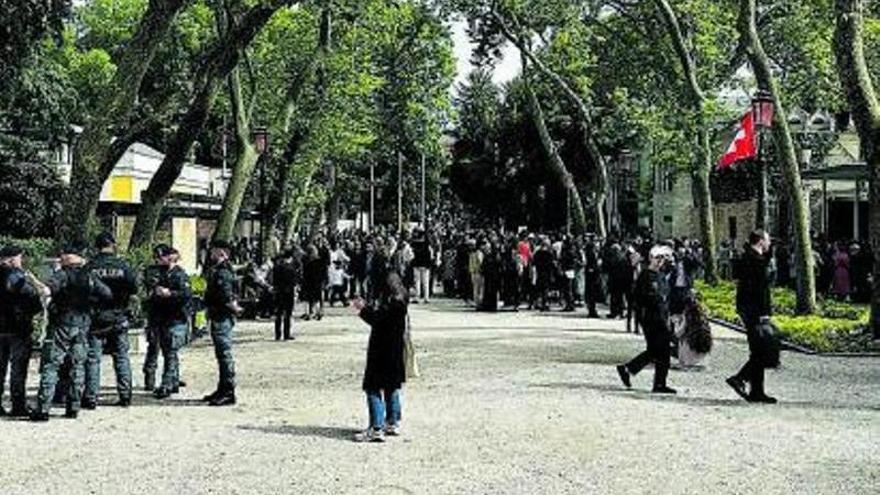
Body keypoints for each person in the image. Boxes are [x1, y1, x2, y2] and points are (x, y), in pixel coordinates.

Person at [31, 244, 112, 421]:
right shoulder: (89, 276)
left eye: (63, 255)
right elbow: (106, 294)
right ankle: (73, 407)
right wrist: (90, 303)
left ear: (68, 257)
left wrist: (37, 284)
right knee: (78, 366)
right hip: (82, 326)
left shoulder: (62, 274)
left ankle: (43, 409)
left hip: (61, 325)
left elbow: (47, 290)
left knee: (51, 365)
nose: (60, 258)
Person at [83, 232, 138, 409]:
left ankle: (91, 397)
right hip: (119, 315)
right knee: (121, 357)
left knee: (93, 358)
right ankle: (125, 396)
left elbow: (81, 289)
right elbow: (134, 288)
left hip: (96, 317)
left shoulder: (90, 267)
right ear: (113, 245)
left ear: (96, 246)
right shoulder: (124, 266)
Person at [352, 272, 409, 443]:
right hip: (395, 349)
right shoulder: (401, 302)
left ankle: (376, 427)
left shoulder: (390, 304)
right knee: (392, 385)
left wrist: (362, 308)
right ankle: (392, 421)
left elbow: (377, 320)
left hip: (381, 349)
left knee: (373, 386)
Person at [615, 245, 677, 394]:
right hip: (651, 319)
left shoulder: (660, 276)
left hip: (661, 318)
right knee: (658, 350)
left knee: (659, 351)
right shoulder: (645, 276)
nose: (660, 261)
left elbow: (664, 298)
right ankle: (632, 370)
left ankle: (653, 380)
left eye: (662, 259)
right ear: (651, 259)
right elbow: (642, 299)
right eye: (658, 258)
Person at [726, 230, 778, 403]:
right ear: (761, 241)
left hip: (748, 309)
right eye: (768, 240)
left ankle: (757, 391)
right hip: (755, 311)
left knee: (757, 350)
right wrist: (764, 313)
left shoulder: (748, 258)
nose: (769, 243)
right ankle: (740, 378)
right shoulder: (755, 261)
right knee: (760, 351)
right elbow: (760, 290)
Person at [0, 246, 44, 417]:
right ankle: (18, 405)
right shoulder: (19, 278)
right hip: (19, 329)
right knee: (18, 369)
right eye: (19, 258)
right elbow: (35, 303)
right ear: (12, 259)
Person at [202, 240, 242, 407]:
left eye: (213, 251)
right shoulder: (221, 270)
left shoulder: (223, 272)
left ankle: (228, 391)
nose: (210, 254)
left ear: (221, 252)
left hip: (221, 316)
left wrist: (234, 308)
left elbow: (225, 295)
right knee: (221, 354)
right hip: (219, 314)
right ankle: (222, 388)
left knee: (224, 354)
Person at [151, 246, 192, 400]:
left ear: (170, 257)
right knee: (169, 352)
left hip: (176, 318)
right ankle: (173, 382)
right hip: (163, 318)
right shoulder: (161, 273)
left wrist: (169, 294)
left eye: (160, 257)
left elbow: (186, 295)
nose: (157, 260)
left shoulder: (179, 275)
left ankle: (166, 385)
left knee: (170, 353)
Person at [141, 246, 166, 392]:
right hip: (155, 313)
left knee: (170, 349)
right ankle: (149, 378)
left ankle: (171, 377)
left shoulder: (170, 270)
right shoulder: (151, 271)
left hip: (167, 313)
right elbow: (152, 285)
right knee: (154, 347)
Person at [272, 250, 300, 341]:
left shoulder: (276, 267)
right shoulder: (291, 268)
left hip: (279, 292)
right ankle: (286, 334)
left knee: (278, 314)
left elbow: (274, 281)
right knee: (288, 314)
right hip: (289, 292)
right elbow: (294, 282)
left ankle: (277, 334)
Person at [411, 230, 432, 304]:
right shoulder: (427, 244)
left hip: (416, 264)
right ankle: (426, 297)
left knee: (417, 281)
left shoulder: (414, 244)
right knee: (425, 282)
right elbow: (430, 255)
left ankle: (417, 297)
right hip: (425, 265)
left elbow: (412, 255)